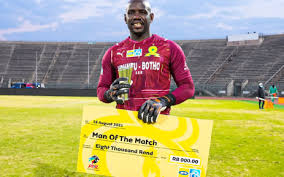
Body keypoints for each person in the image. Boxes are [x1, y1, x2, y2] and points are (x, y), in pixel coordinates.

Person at [97, 0, 194, 123]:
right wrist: (110, 94)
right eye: (131, 12)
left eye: (142, 12)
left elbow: (188, 87)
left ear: (151, 17)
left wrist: (163, 101)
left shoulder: (169, 47)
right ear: (125, 18)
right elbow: (101, 89)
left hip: (159, 125)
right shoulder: (113, 52)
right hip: (124, 126)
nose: (136, 16)